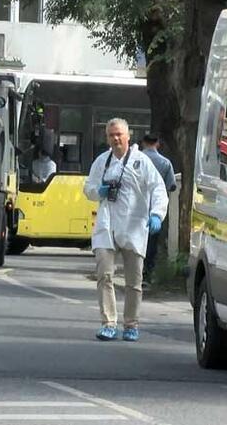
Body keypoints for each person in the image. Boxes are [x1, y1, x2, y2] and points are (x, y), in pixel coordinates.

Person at [83, 118, 168, 342]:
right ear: (107, 138)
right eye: (111, 135)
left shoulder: (141, 162)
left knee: (134, 282)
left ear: (128, 136)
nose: (116, 138)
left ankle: (131, 324)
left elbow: (158, 188)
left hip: (134, 227)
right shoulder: (102, 161)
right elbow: (88, 188)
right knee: (104, 275)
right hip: (106, 226)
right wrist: (98, 191)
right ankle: (108, 323)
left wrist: (157, 214)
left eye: (119, 134)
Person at [140, 133, 177, 288]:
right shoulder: (165, 163)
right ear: (158, 144)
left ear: (143, 143)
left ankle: (134, 271)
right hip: (155, 210)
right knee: (152, 244)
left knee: (135, 243)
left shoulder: (135, 159)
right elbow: (172, 186)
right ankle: (146, 275)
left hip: (135, 209)